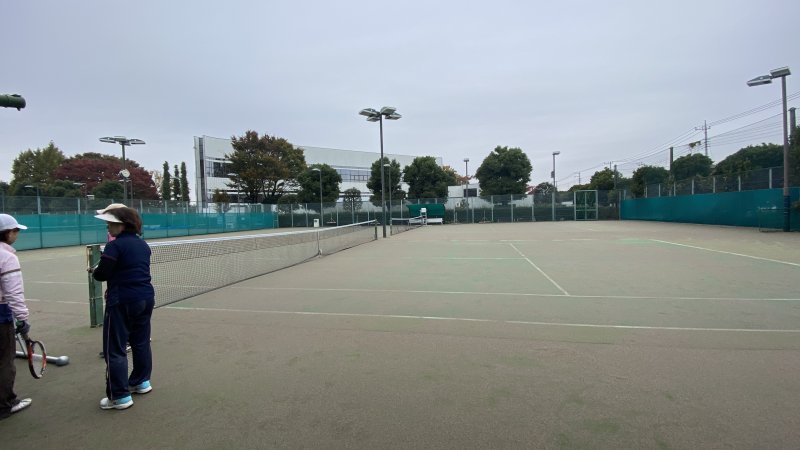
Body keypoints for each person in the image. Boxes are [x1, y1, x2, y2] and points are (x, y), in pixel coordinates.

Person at [92, 207, 155, 410]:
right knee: (141, 342)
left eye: (111, 224)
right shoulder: (143, 245)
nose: (108, 227)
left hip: (122, 301)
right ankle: (141, 382)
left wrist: (96, 270)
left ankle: (119, 396)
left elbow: (101, 274)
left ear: (122, 225)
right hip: (145, 298)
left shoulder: (114, 246)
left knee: (115, 349)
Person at [0, 214, 32, 420]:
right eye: (16, 231)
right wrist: (22, 318)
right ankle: (6, 404)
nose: (17, 234)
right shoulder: (7, 257)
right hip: (1, 314)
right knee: (5, 361)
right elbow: (13, 293)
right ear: (8, 233)